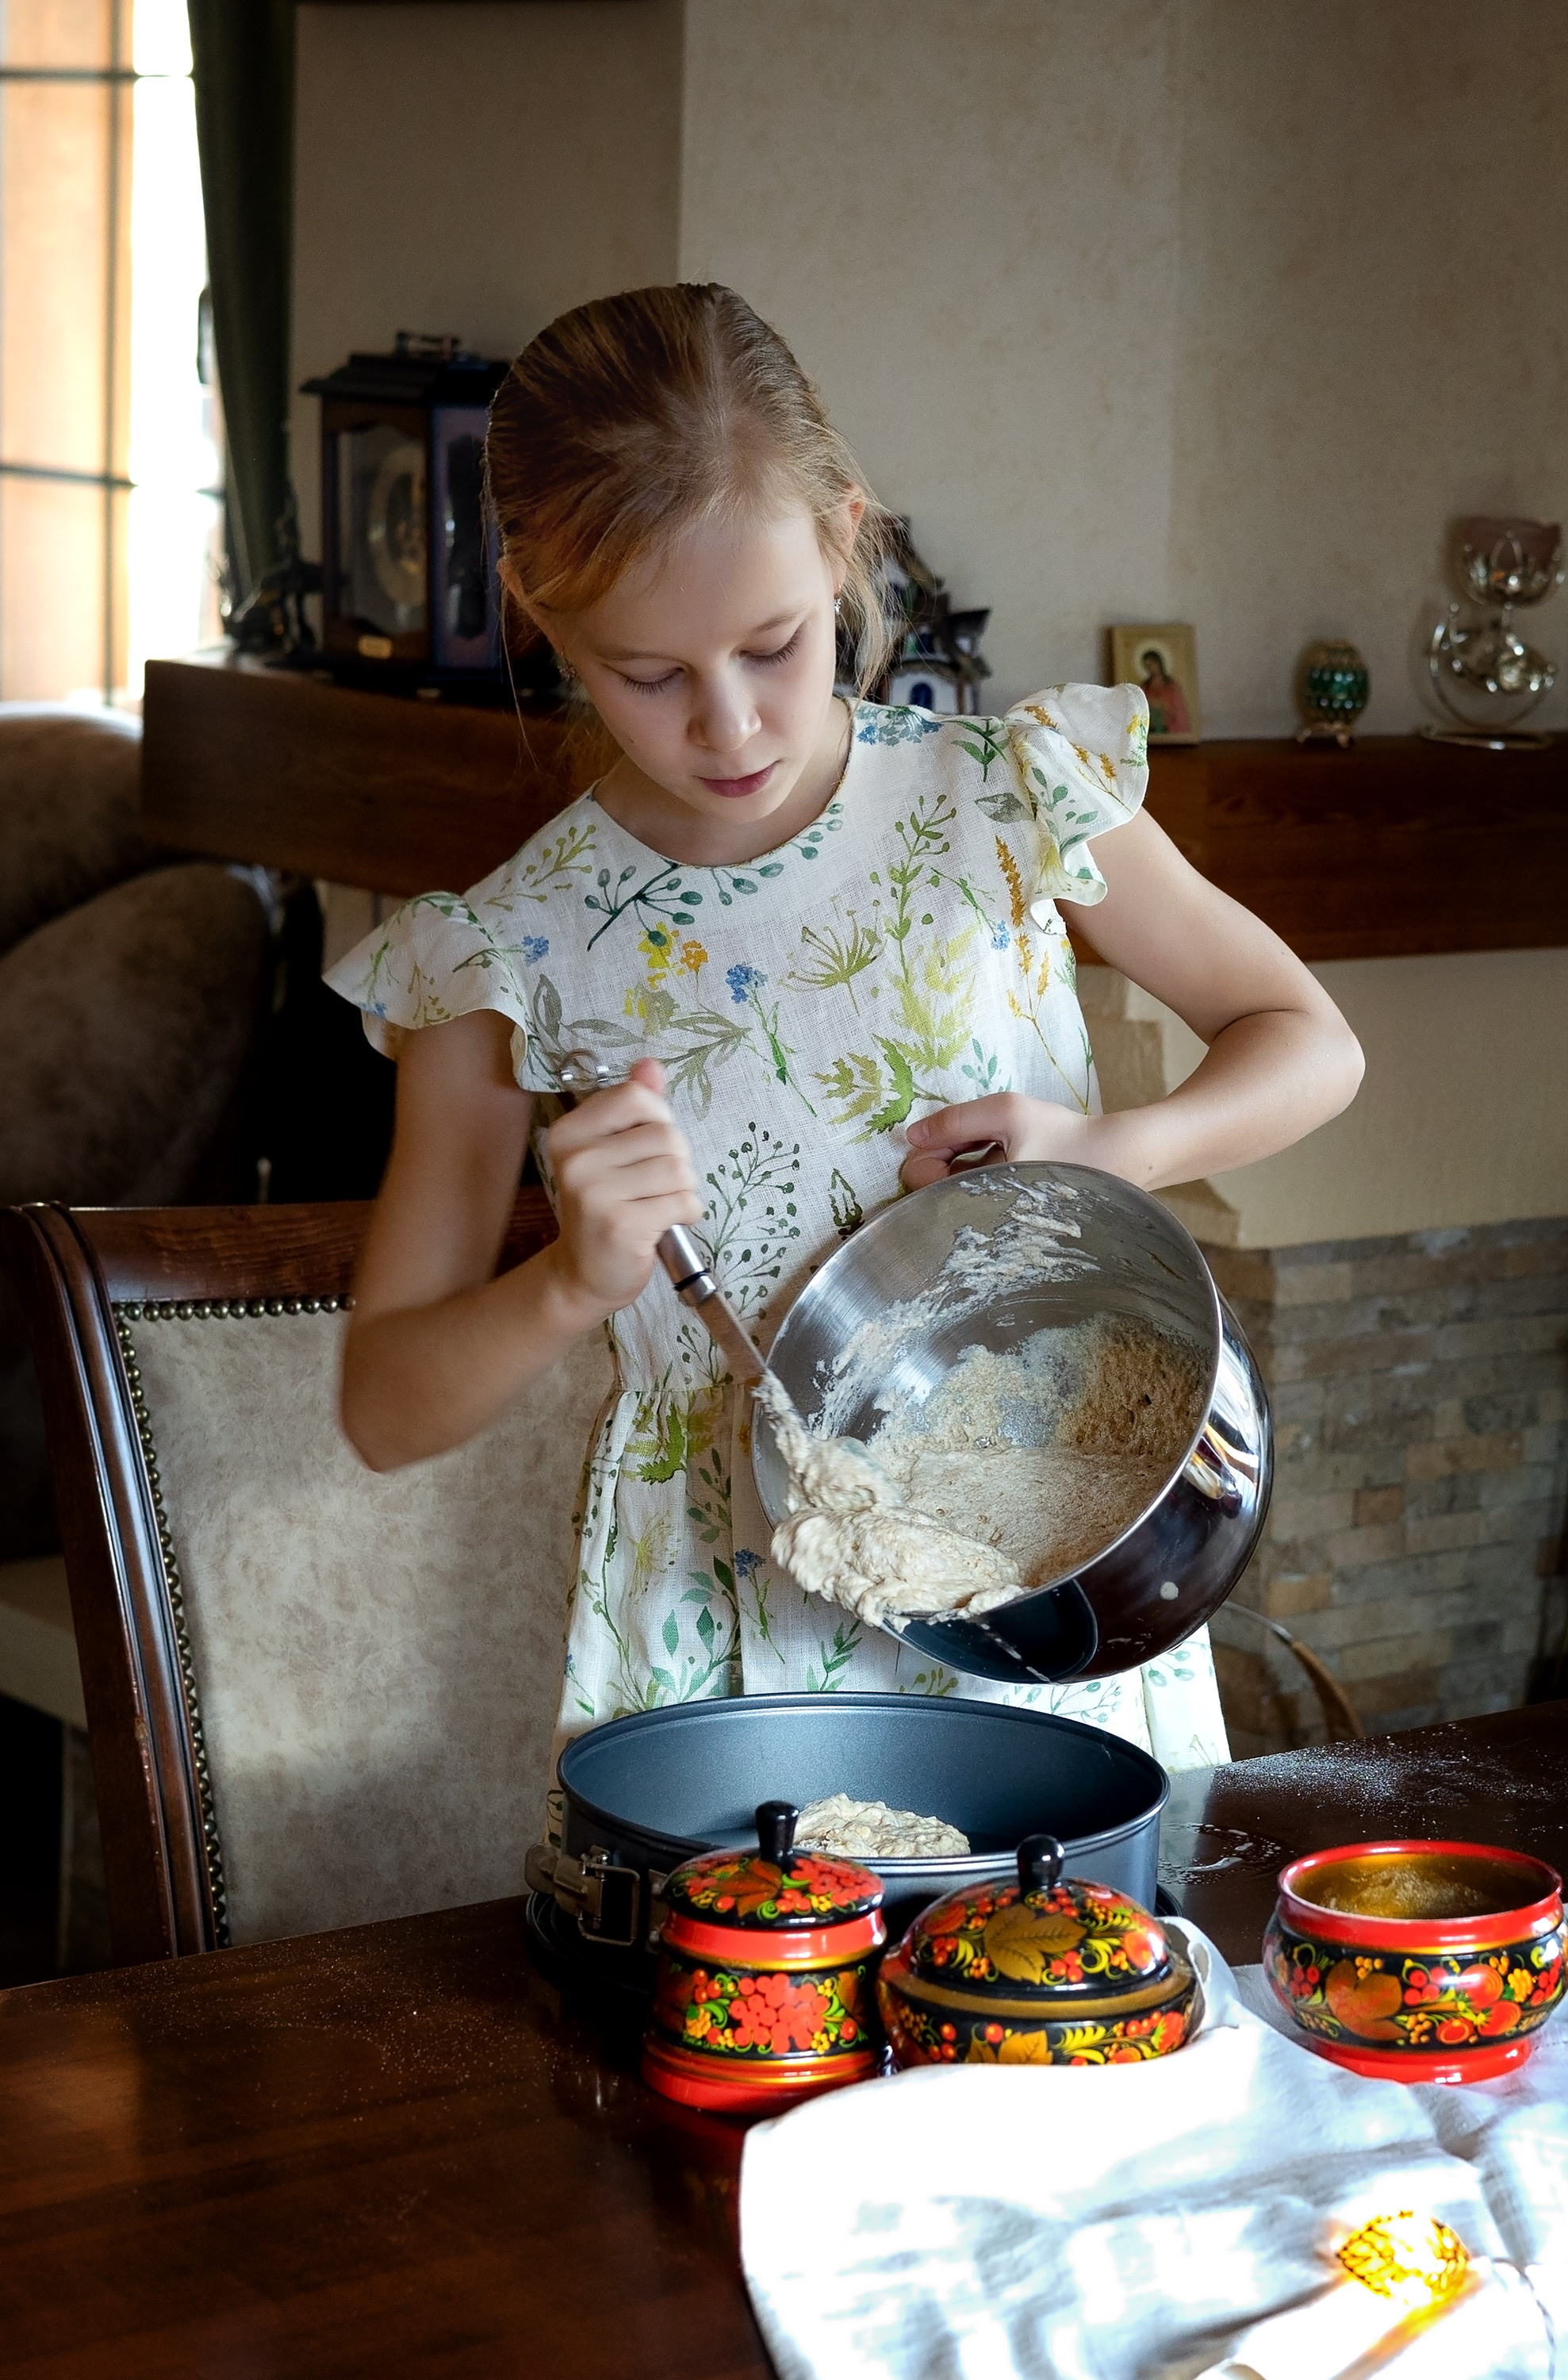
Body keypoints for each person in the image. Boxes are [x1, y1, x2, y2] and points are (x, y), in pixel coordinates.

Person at [327, 284, 1363, 1779]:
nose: (732, 727)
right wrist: (570, 1280)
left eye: (774, 644)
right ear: (543, 616)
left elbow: (1312, 1042)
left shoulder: (1003, 800)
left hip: (1043, 1573)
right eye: (650, 674)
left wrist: (1108, 1148)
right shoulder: (503, 959)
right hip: (719, 1677)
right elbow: (383, 1409)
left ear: (846, 541)